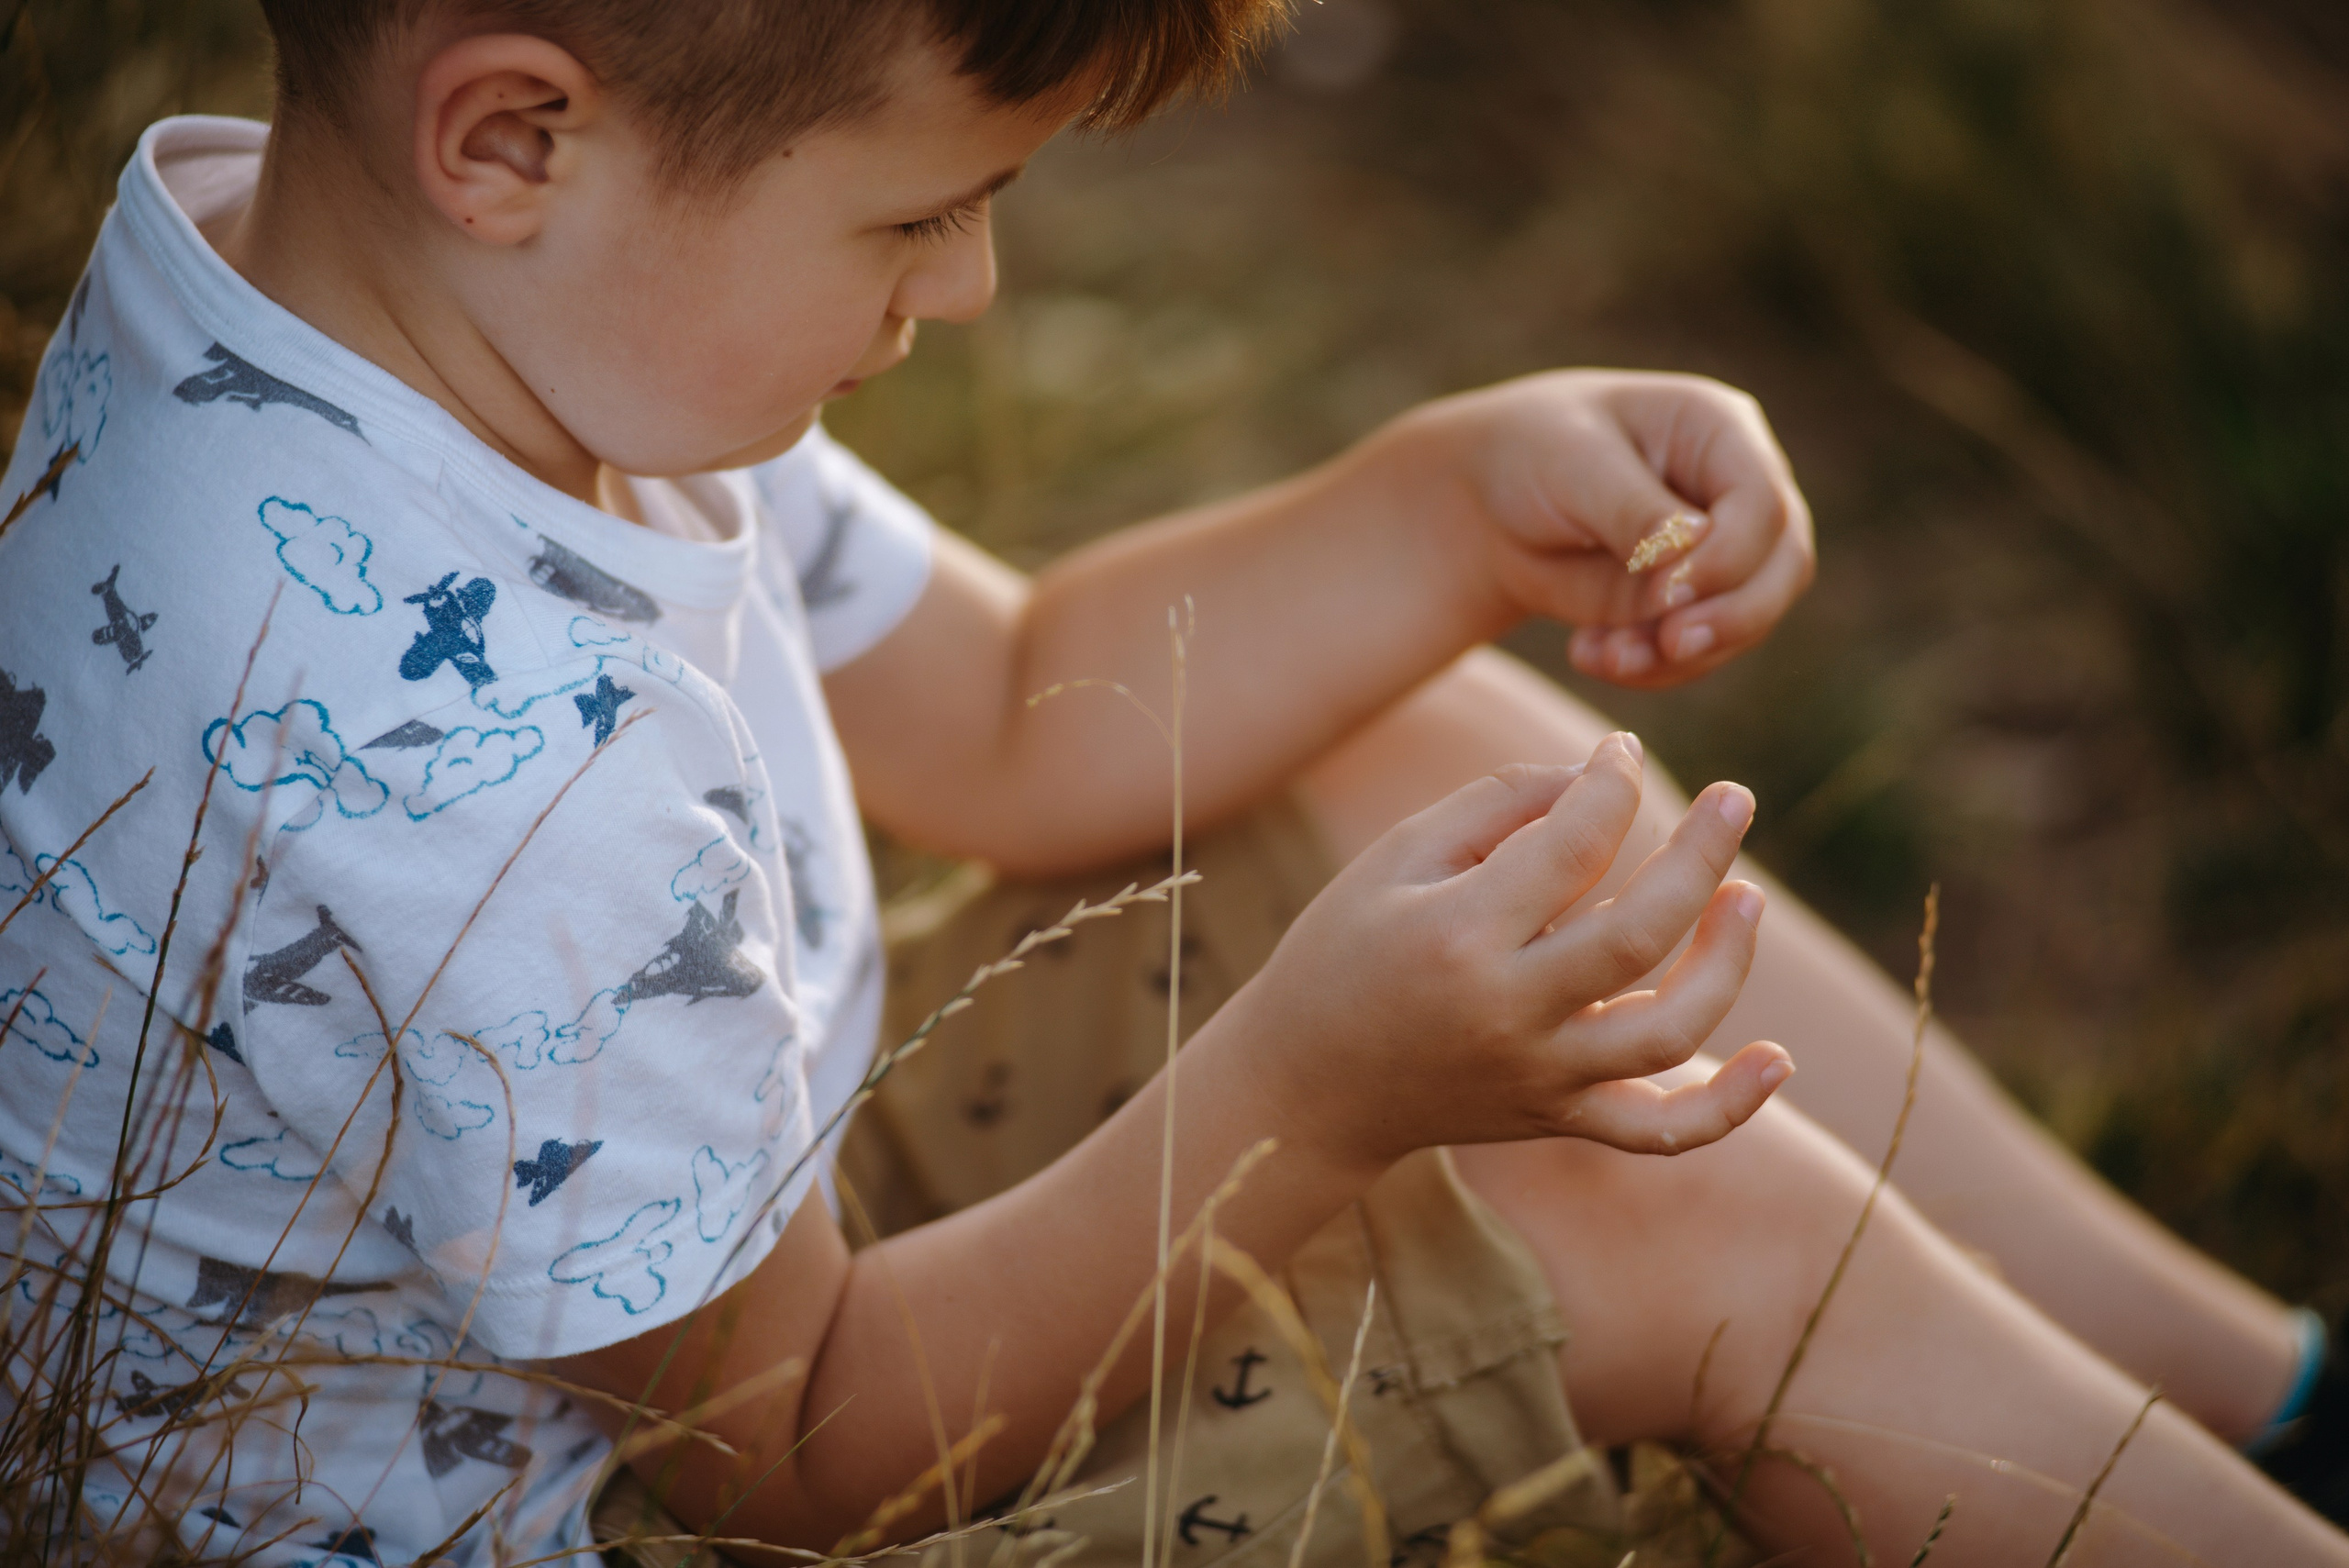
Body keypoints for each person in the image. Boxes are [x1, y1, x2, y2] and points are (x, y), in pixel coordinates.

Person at [0, 2, 2336, 1563]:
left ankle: (2259, 1414)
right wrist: (1313, 1091)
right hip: (638, 1490)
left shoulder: (350, 304)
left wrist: (1441, 505)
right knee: (1651, 1225)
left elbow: (1022, 706)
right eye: (915, 215)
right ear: (512, 133)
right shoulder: (448, 771)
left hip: (670, 1269)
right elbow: (789, 1445)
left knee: (1382, 728)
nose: (978, 282)